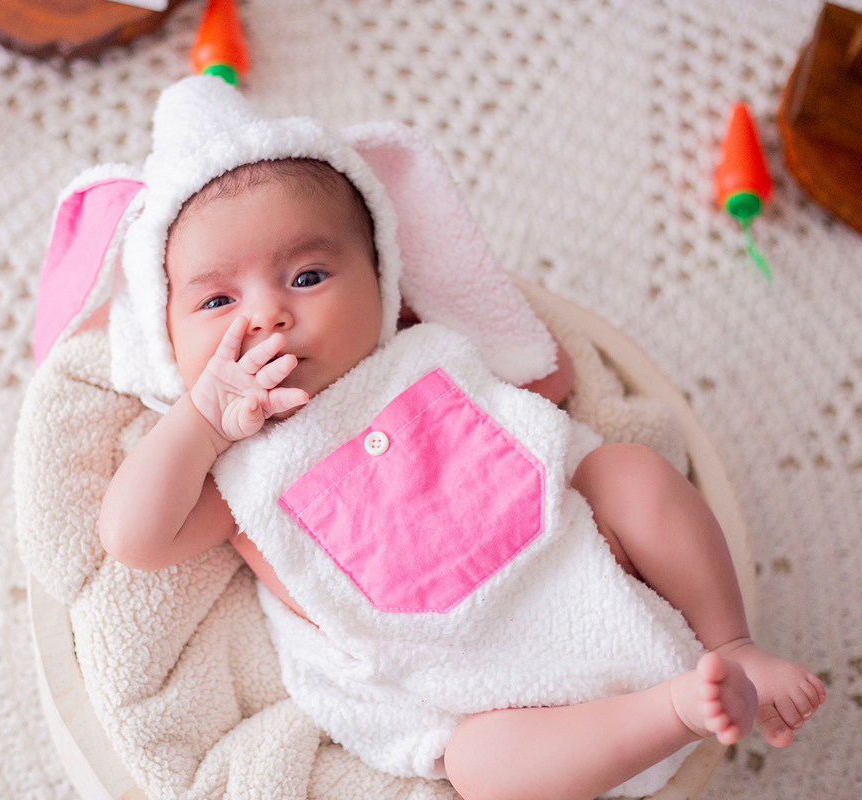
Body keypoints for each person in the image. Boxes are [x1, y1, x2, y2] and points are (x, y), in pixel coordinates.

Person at [93, 76, 825, 800]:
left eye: (309, 275)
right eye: (217, 300)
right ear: (166, 337)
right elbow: (134, 538)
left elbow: (549, 376)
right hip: (462, 685)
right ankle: (669, 713)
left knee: (629, 471)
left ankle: (731, 643)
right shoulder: (238, 467)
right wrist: (198, 420)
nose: (267, 317)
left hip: (577, 565)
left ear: (382, 281)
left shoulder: (421, 352)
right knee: (475, 764)